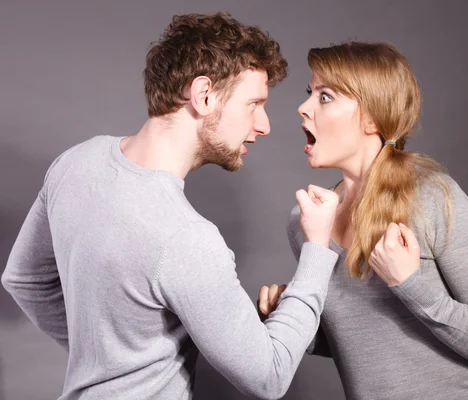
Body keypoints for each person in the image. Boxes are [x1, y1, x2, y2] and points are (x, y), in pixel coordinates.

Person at [1, 12, 342, 400]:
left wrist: (108, 361)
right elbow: (270, 375)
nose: (263, 125)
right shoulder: (186, 238)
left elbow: (23, 281)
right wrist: (316, 249)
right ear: (203, 95)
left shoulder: (75, 162)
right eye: (253, 104)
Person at [258, 41, 468, 399]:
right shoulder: (308, 223)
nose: (303, 107)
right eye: (309, 93)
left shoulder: (431, 196)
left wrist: (409, 284)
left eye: (325, 96)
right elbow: (366, 343)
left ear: (372, 118)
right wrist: (288, 315)